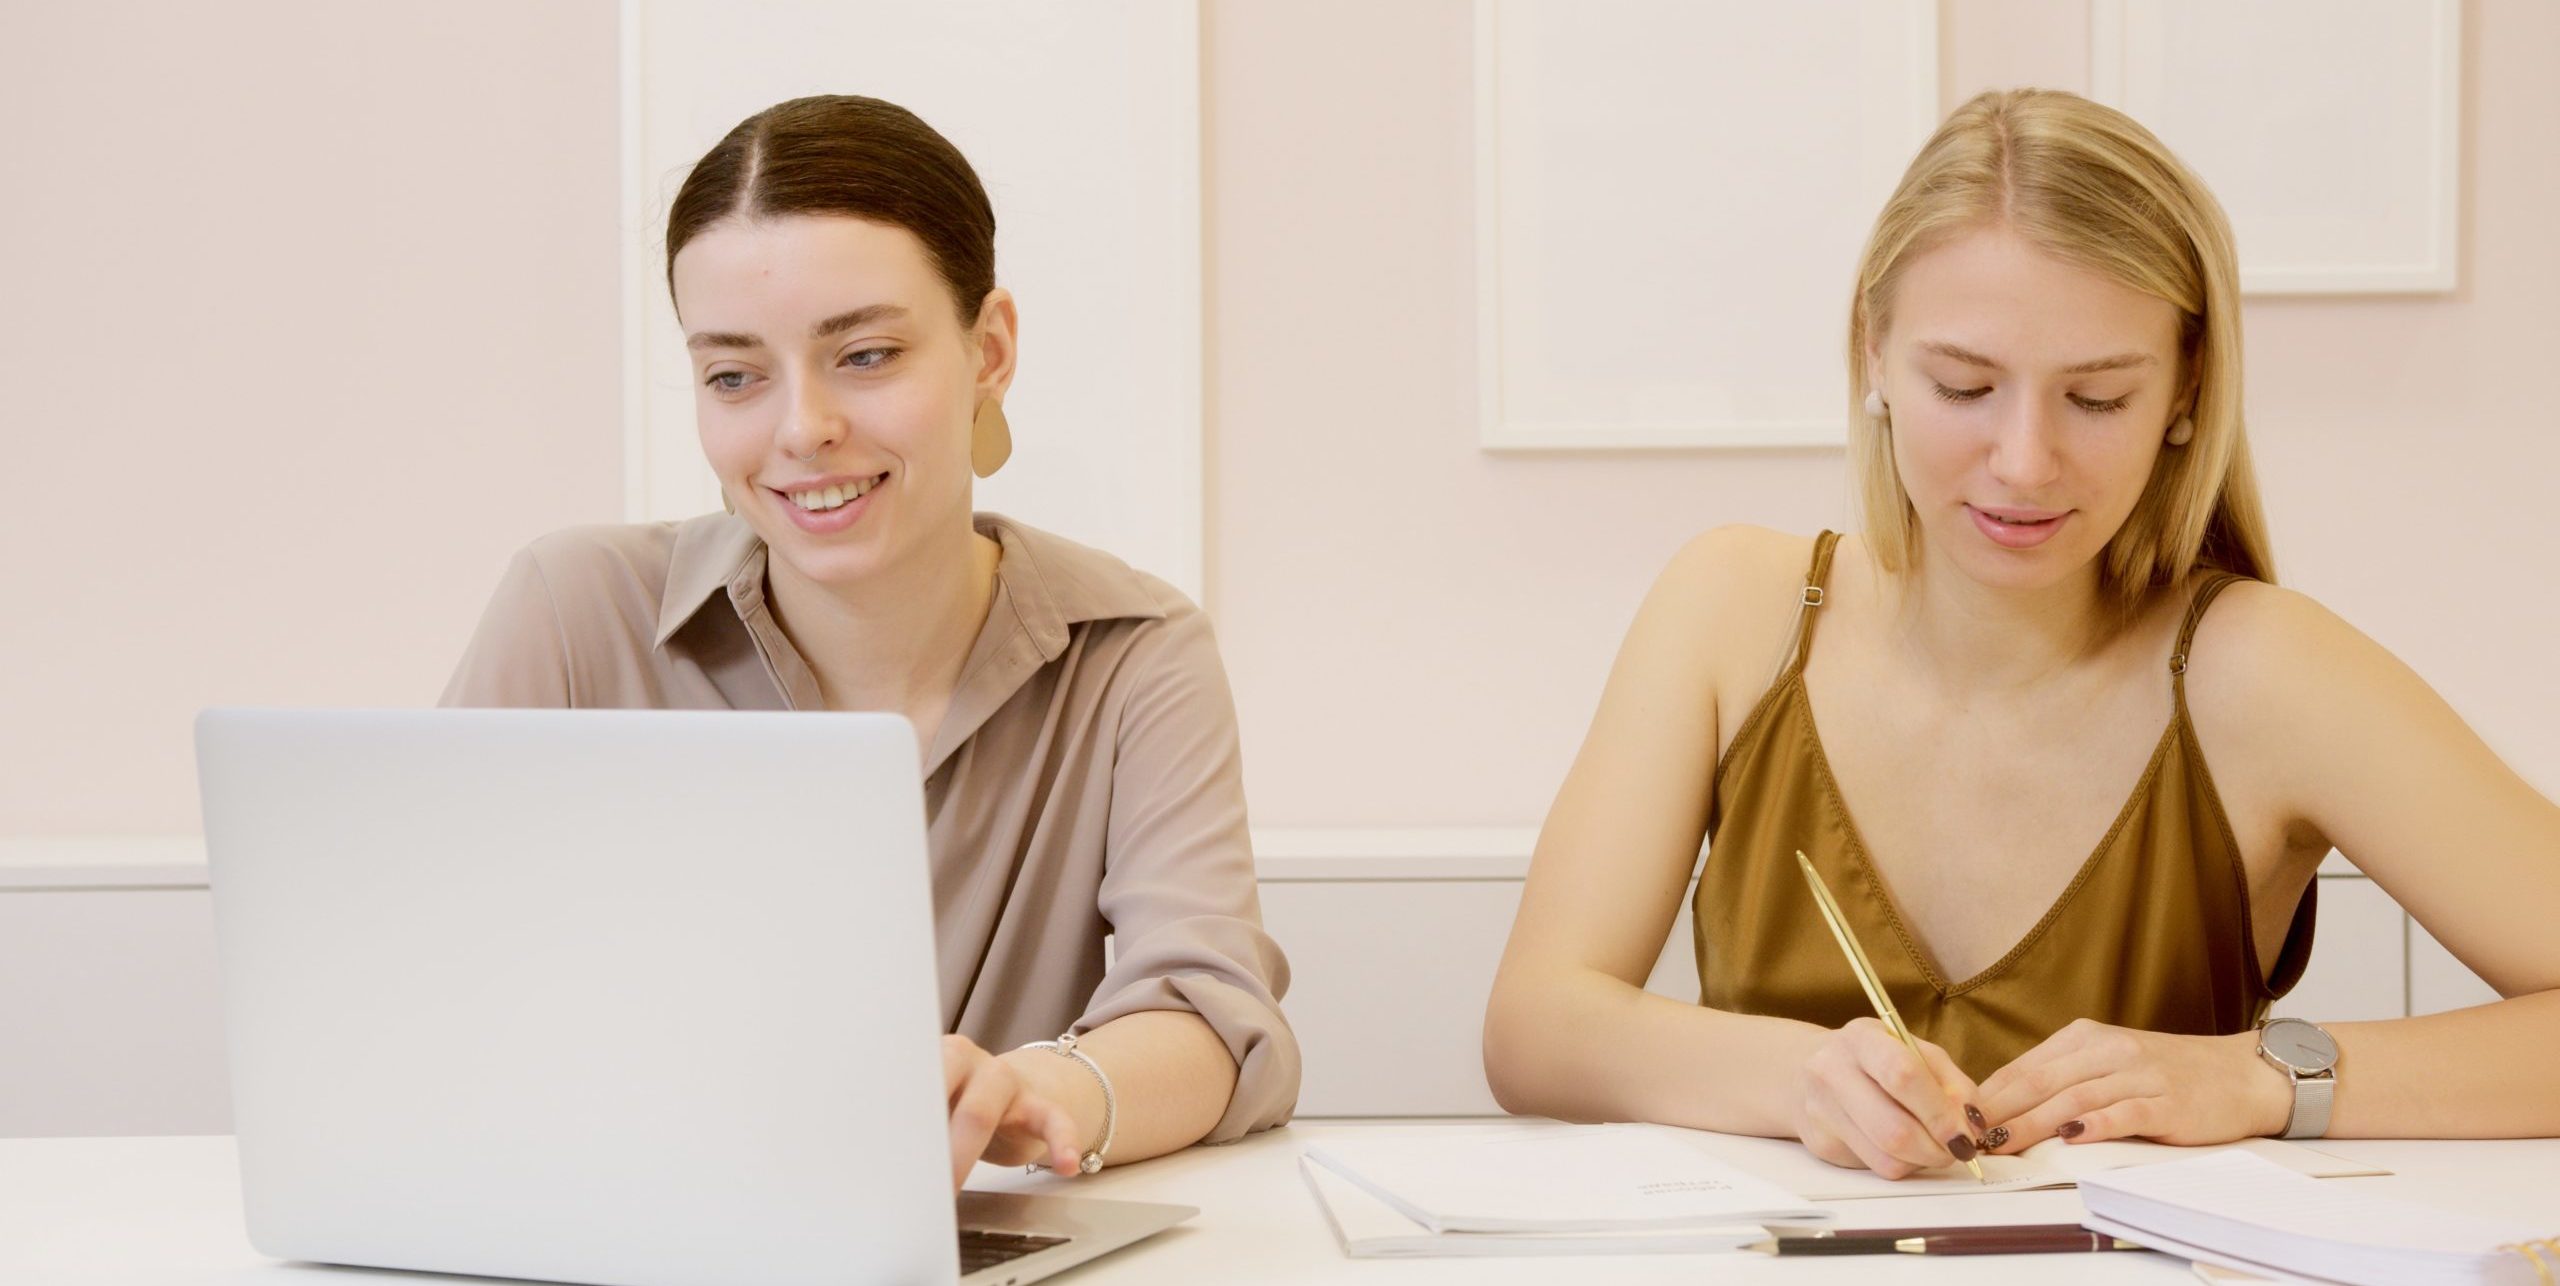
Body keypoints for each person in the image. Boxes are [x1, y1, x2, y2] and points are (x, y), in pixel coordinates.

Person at [1482, 88, 2560, 1177]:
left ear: (2186, 386)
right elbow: (1532, 1028)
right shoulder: (1731, 608)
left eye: (2095, 398)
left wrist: (2261, 1076)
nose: (2024, 461)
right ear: (1872, 354)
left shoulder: (2267, 673)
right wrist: (1799, 1078)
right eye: (1964, 385)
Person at [443, 94, 1298, 1187]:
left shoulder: (1135, 652)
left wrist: (1041, 1092)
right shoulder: (569, 609)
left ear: (988, 350)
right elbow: (426, 976)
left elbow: (1210, 1014)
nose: (802, 428)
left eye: (866, 354)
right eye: (734, 375)